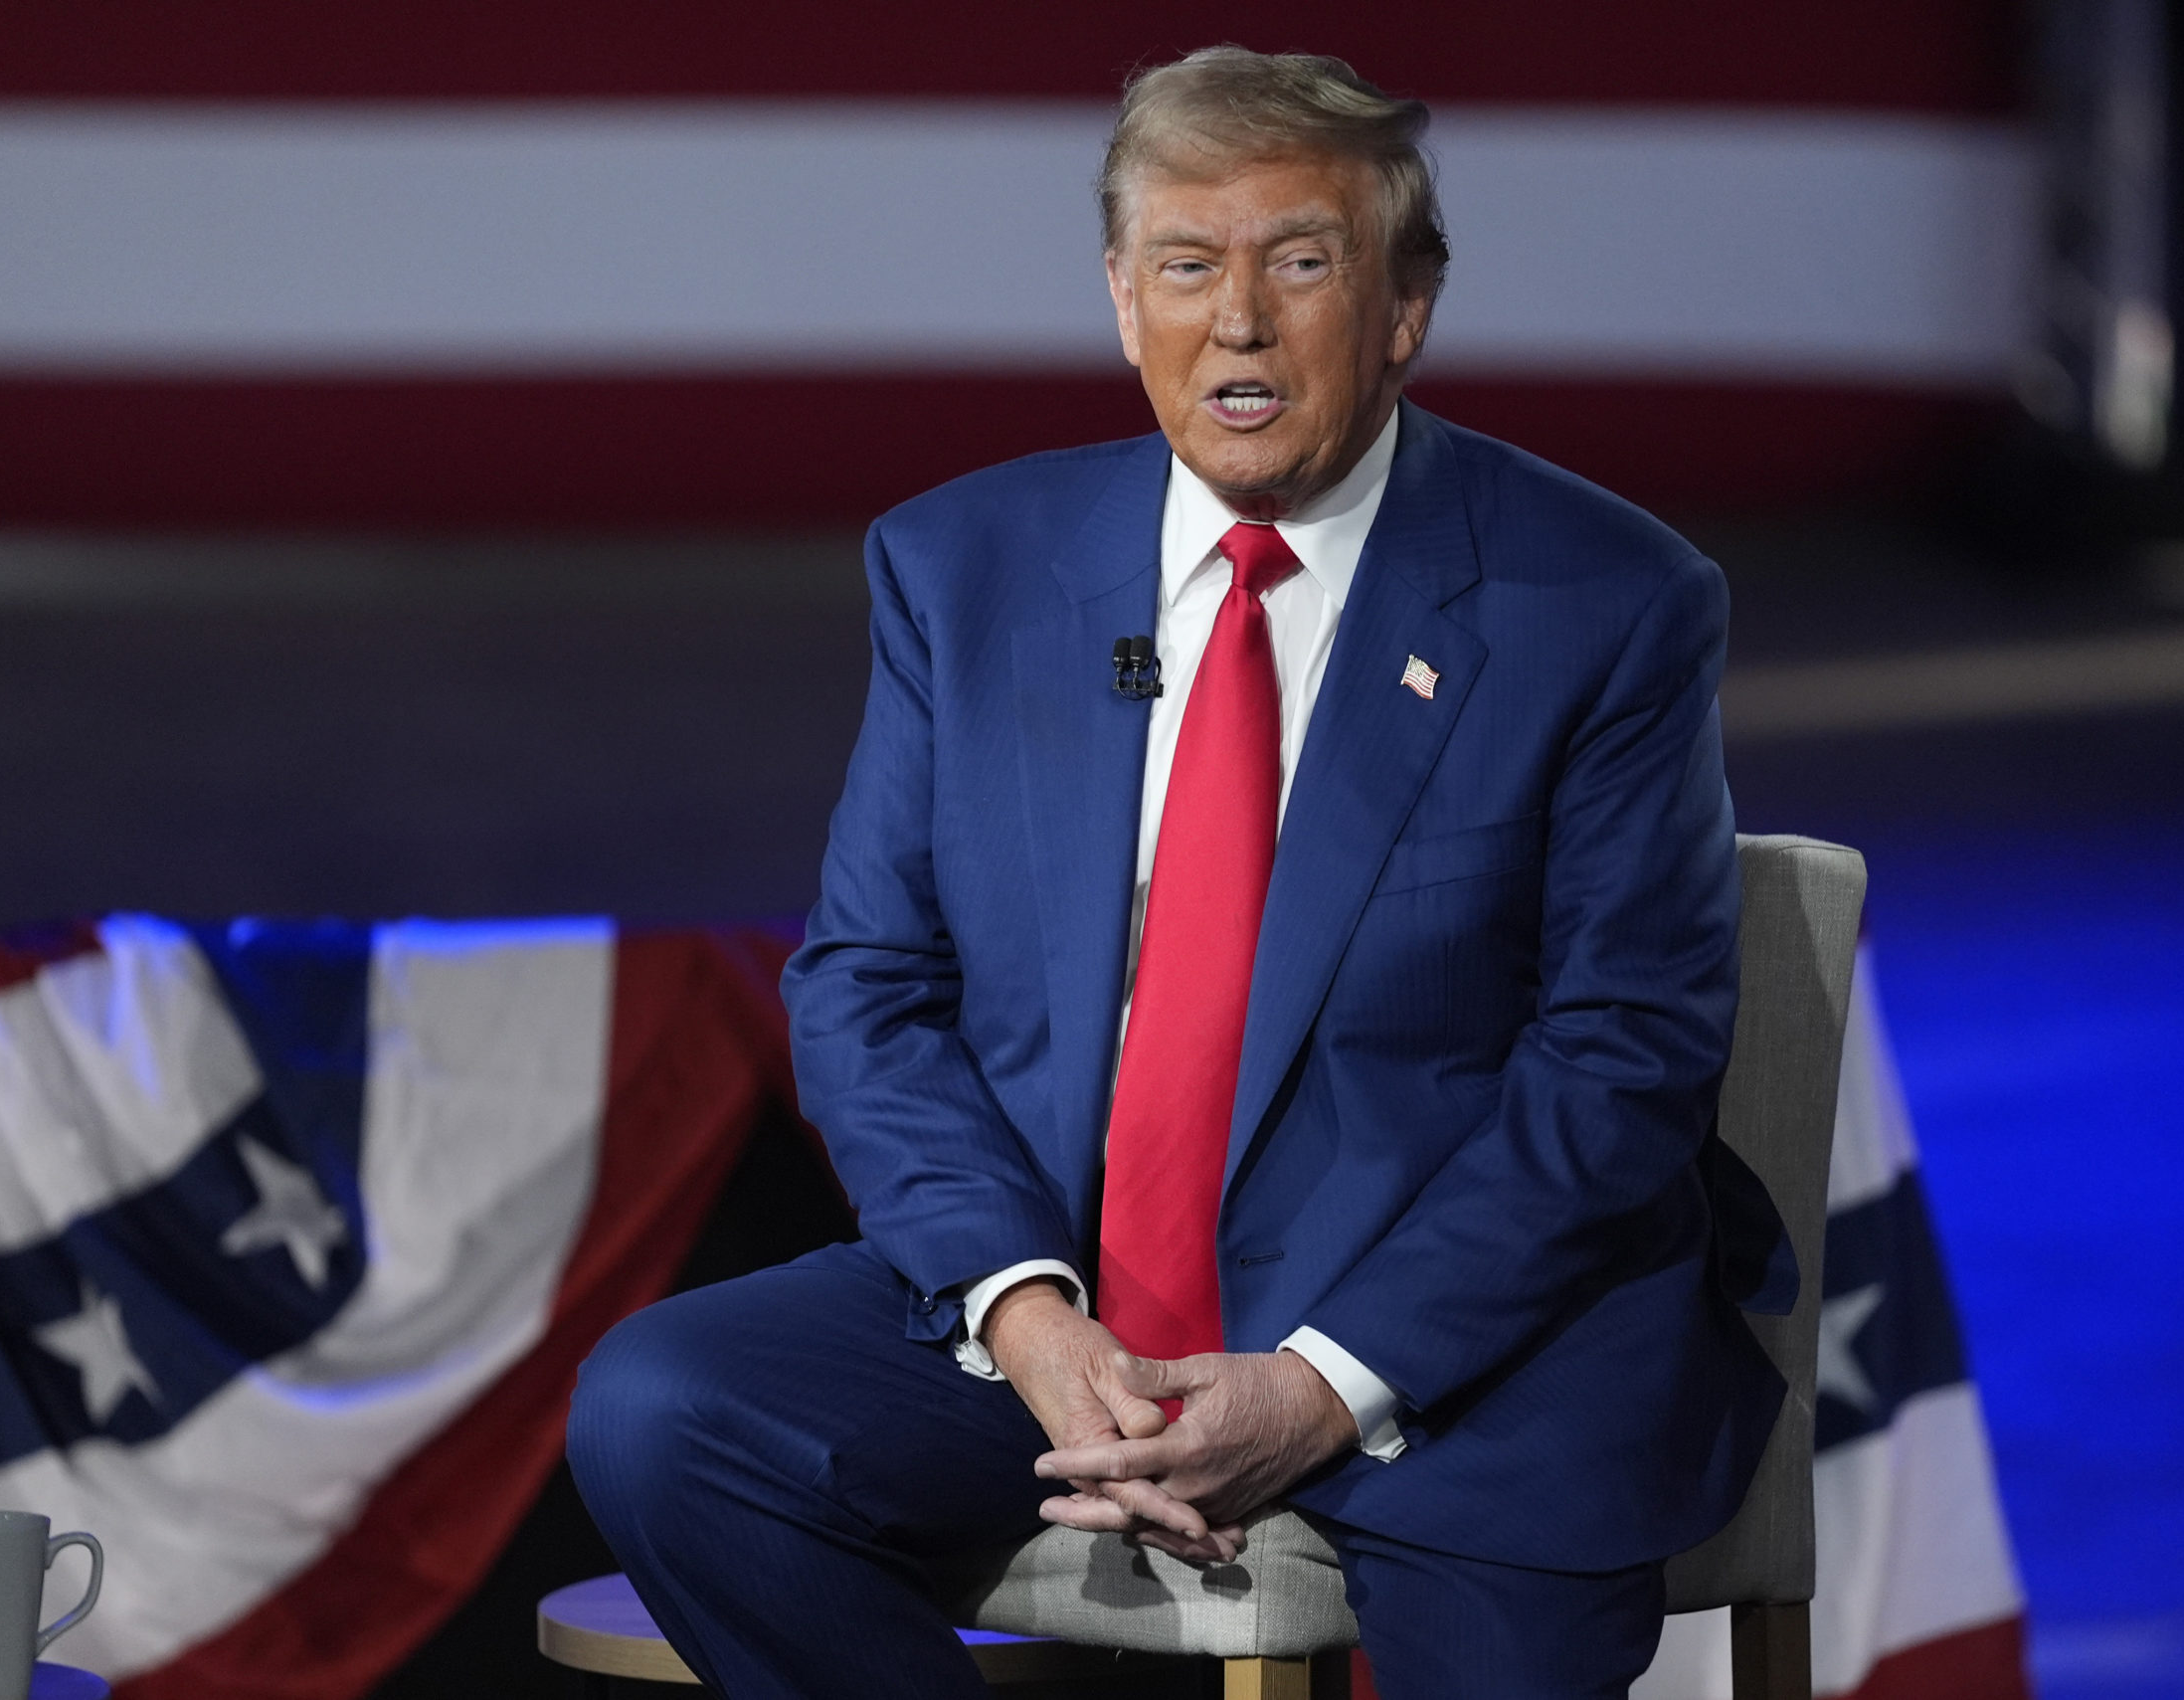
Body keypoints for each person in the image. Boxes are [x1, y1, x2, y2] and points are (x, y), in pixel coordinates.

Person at [569, 46, 1790, 1700]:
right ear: (1121, 299)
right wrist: (1029, 1320)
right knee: (667, 1413)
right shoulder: (965, 569)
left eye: (1300, 261)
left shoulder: (1606, 598)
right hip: (1071, 1313)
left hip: (1461, 1351)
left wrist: (1317, 1382)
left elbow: (1622, 1055)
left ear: (1407, 304)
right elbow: (867, 982)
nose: (1240, 321)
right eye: (1186, 266)